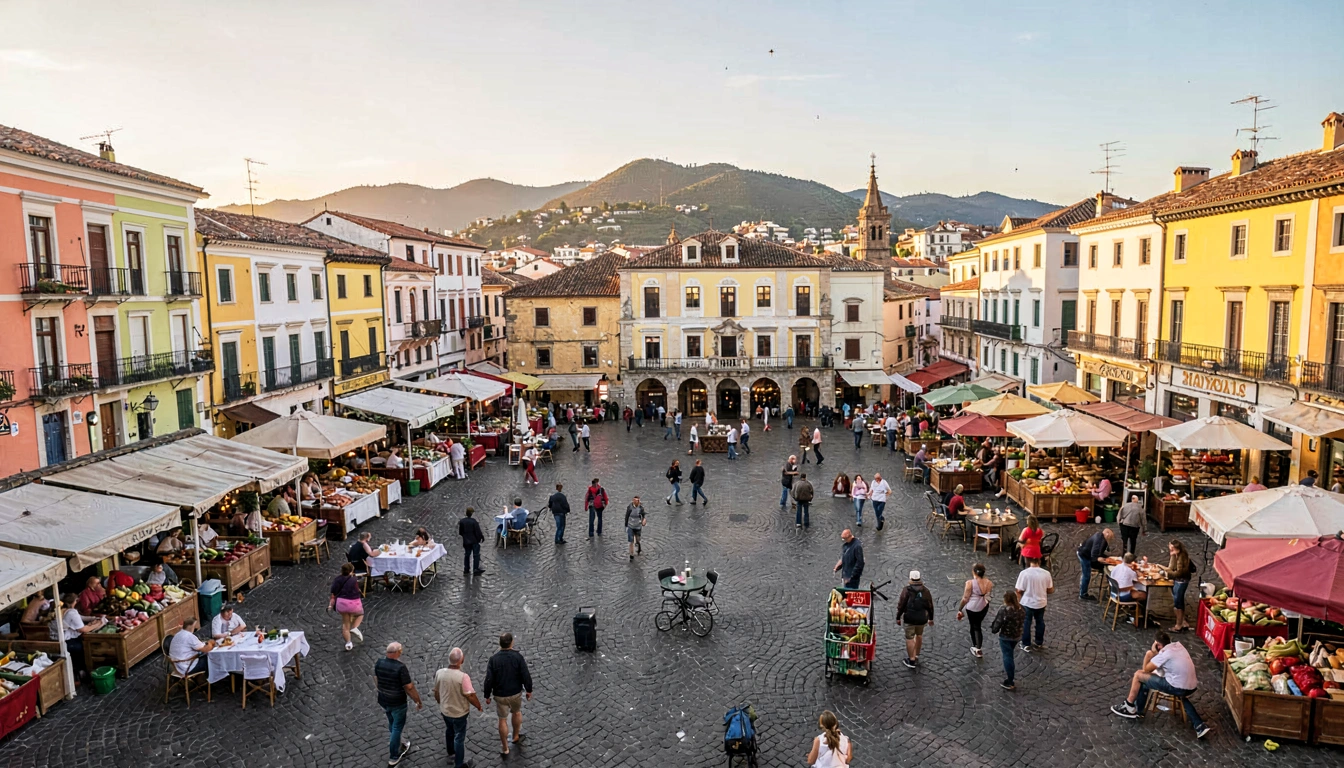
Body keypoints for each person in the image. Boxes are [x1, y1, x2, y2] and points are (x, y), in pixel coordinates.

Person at [1110, 631, 1210, 738]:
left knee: (1138, 675)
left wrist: (1150, 653)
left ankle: (1129, 705)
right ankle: (1199, 725)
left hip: (1177, 686)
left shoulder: (1164, 654)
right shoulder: (1179, 646)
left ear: (1158, 645)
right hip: (1191, 686)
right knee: (1179, 694)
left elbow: (1146, 670)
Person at [483, 632, 533, 758]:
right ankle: (515, 736)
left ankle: (505, 747)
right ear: (511, 643)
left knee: (502, 719)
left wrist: (487, 695)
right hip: (515, 692)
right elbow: (525, 674)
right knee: (516, 712)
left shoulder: (493, 660)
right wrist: (528, 690)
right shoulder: (518, 657)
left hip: (500, 695)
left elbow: (489, 679)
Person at [376, 641, 424, 766]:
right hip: (397, 702)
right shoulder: (400, 668)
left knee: (392, 722)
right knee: (397, 727)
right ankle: (394, 756)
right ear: (397, 653)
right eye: (401, 651)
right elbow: (409, 687)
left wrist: (381, 690)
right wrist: (417, 700)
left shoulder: (379, 663)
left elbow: (376, 679)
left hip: (384, 699)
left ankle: (400, 741)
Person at [435, 647, 483, 768]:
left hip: (445, 710)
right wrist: (478, 705)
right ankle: (459, 763)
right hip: (459, 713)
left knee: (449, 730)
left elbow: (436, 691)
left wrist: (440, 702)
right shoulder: (463, 677)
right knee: (459, 737)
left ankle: (450, 751)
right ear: (461, 660)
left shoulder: (439, 673)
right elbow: (470, 695)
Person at [51, 592, 107, 680]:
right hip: (66, 643)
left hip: (55, 641)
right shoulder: (71, 613)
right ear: (75, 601)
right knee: (85, 646)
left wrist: (93, 618)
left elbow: (81, 617)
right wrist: (99, 623)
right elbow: (83, 629)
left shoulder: (60, 611)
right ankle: (84, 671)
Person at [895, 571, 934, 668]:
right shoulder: (925, 590)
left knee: (910, 638)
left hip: (910, 618)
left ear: (910, 578)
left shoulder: (906, 590)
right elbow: (930, 606)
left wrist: (898, 617)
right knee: (919, 635)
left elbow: (901, 605)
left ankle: (911, 660)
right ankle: (916, 655)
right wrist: (931, 618)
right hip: (922, 618)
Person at [1015, 556, 1055, 652]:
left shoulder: (1024, 574)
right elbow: (1050, 590)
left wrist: (1018, 602)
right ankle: (1039, 642)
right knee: (1040, 621)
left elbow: (1019, 590)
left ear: (1028, 561)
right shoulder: (1046, 573)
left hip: (1027, 602)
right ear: (1039, 560)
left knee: (1026, 623)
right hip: (1041, 602)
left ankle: (1026, 644)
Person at [956, 564, 993, 658]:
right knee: (978, 625)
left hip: (973, 608)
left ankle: (977, 648)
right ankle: (977, 646)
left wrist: (960, 609)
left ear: (974, 572)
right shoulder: (989, 582)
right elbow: (988, 596)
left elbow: (965, 598)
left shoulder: (970, 583)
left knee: (974, 627)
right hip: (984, 606)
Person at [991, 590, 1026, 690]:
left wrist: (994, 629)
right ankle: (1009, 675)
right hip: (1017, 636)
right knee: (1009, 654)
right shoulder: (1021, 608)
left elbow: (998, 623)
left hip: (1006, 636)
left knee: (1008, 656)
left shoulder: (1004, 609)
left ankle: (1010, 680)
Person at [1162, 540, 1196, 632]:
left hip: (1182, 581)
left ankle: (1179, 625)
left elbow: (1178, 572)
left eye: (1172, 548)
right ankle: (1183, 621)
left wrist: (1168, 575)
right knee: (1178, 600)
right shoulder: (1176, 555)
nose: (1170, 549)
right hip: (1178, 580)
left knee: (1178, 602)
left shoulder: (1182, 558)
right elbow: (1171, 567)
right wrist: (1161, 567)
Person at [330, 563, 366, 650]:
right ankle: (354, 627)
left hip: (341, 604)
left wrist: (331, 604)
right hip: (354, 604)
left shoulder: (337, 579)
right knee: (360, 614)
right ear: (351, 571)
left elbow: (333, 593)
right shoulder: (354, 580)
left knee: (345, 624)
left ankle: (348, 643)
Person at [1076, 528, 1115, 600]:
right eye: (1110, 537)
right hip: (1084, 555)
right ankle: (1083, 594)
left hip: (1085, 553)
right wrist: (1105, 561)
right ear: (1107, 534)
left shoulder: (1100, 536)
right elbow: (1094, 557)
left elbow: (1098, 553)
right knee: (1086, 575)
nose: (1110, 540)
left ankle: (1083, 592)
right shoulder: (1100, 540)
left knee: (1086, 574)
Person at [458, 507, 485, 575]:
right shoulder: (474, 522)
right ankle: (475, 568)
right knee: (476, 555)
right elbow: (477, 532)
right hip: (474, 541)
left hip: (466, 541)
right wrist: (480, 538)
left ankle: (466, 569)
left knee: (467, 554)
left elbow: (460, 532)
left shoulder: (462, 521)